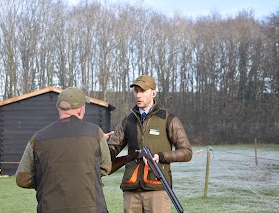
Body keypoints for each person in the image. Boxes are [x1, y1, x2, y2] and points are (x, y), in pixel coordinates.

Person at [16, 87, 112, 213]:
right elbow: (106, 167)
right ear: (82, 109)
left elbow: (22, 179)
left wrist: (47, 179)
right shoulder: (96, 134)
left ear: (58, 108)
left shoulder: (38, 138)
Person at [107, 75, 192, 213]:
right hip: (131, 189)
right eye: (136, 91)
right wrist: (97, 143)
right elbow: (111, 150)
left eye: (143, 91)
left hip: (157, 189)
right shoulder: (127, 121)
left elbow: (187, 152)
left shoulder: (168, 118)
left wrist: (161, 156)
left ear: (153, 92)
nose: (138, 95)